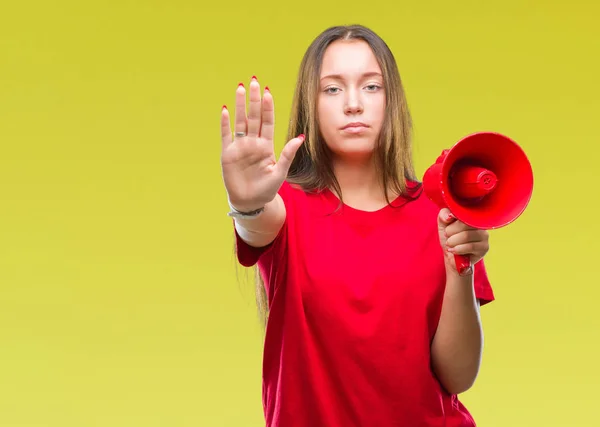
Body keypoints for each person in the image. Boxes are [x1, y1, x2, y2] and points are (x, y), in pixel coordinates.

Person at [220, 24, 495, 427]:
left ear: (391, 100)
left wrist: (461, 268)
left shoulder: (439, 213)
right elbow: (258, 224)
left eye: (371, 87)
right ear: (310, 105)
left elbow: (458, 376)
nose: (353, 103)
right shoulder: (286, 209)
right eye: (332, 89)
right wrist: (245, 203)